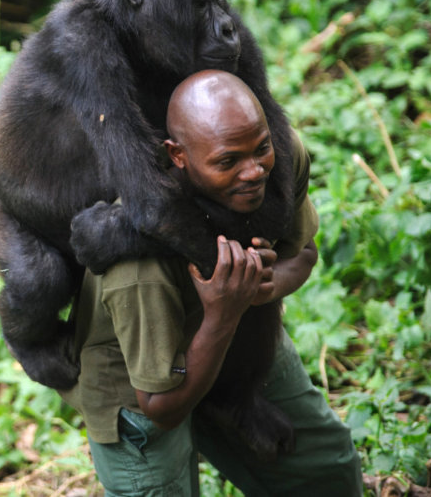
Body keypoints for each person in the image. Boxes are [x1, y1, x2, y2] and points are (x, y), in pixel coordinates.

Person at [59, 70, 362, 495]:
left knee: (325, 469)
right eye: (228, 161)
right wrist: (224, 313)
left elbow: (303, 253)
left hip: (236, 333)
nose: (253, 171)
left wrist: (261, 285)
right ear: (178, 156)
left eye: (261, 149)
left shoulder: (279, 160)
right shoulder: (136, 264)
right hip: (141, 379)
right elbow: (161, 407)